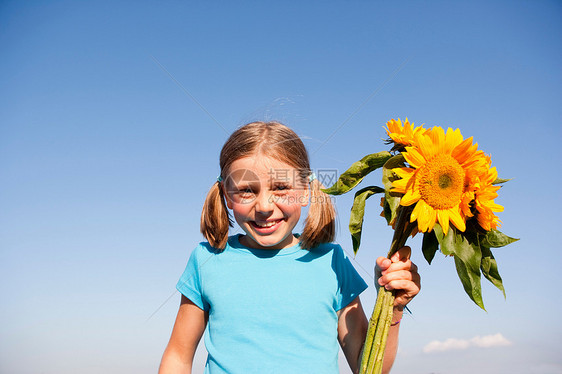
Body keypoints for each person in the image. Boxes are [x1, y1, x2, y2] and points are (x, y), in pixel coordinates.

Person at [159, 121, 421, 374]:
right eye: (246, 191)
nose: (264, 207)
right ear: (227, 195)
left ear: (306, 190)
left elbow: (367, 367)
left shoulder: (333, 261)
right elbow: (178, 357)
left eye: (281, 187)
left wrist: (393, 308)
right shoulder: (207, 260)